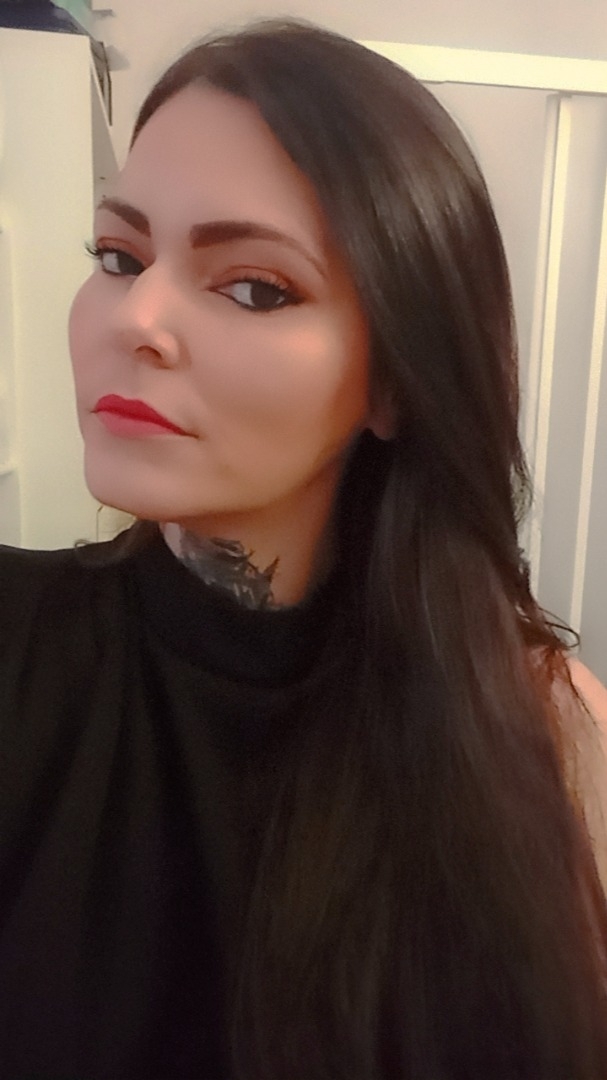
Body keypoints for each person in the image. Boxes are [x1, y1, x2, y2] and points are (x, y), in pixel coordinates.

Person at [1, 15, 607, 1080]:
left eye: (253, 286)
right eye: (119, 256)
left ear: (393, 380)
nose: (135, 317)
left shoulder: (548, 735)